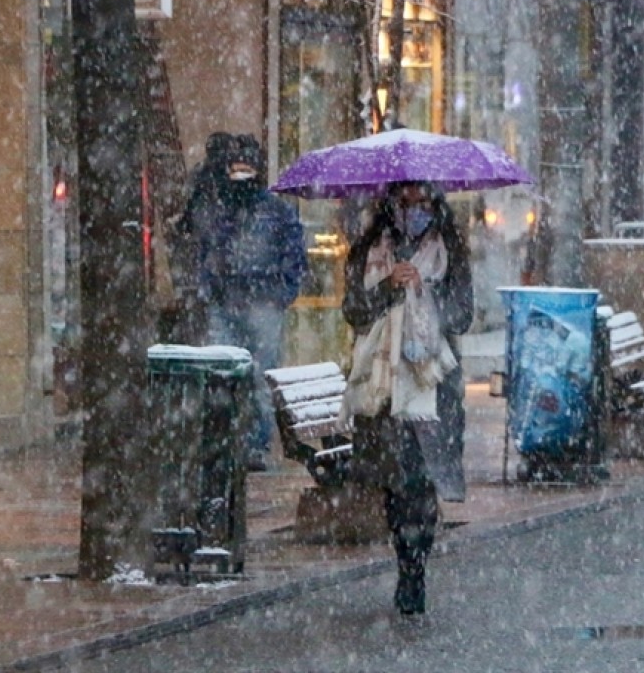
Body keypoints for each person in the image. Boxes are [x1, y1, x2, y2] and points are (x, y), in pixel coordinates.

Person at [340, 181, 473, 616]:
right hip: (383, 381)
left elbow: (463, 315)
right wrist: (389, 287)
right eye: (406, 202)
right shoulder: (370, 249)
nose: (414, 211)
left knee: (422, 480)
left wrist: (425, 291)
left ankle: (415, 568)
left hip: (432, 379)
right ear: (390, 206)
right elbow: (354, 311)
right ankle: (405, 557)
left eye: (423, 202)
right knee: (397, 484)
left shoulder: (447, 249)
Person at [180, 132, 308, 471]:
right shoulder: (224, 207)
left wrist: (281, 292)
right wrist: (212, 287)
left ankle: (256, 444)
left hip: (262, 304)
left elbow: (294, 253)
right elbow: (205, 247)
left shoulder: (275, 211)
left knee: (260, 378)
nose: (240, 177)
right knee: (224, 375)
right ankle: (227, 442)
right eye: (235, 169)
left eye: (246, 169)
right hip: (228, 301)